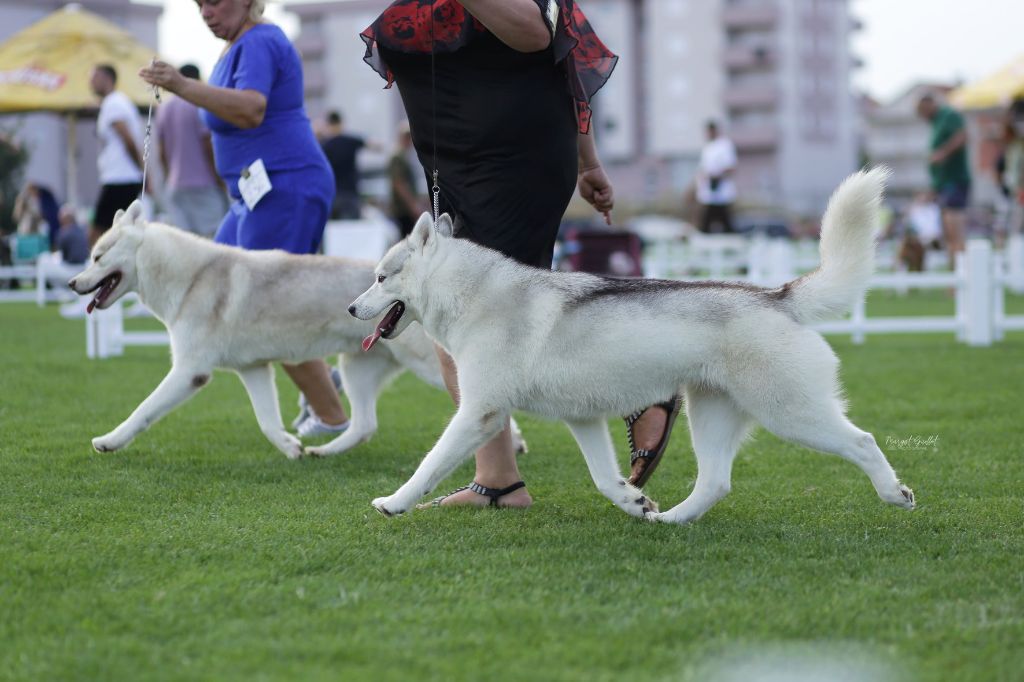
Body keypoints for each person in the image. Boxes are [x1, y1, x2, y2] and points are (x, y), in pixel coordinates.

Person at [361, 0, 680, 509]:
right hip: (452, 167)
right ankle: (498, 480)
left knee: (497, 321)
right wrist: (590, 162)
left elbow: (541, 38)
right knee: (455, 320)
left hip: (515, 164)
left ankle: (643, 385)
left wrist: (588, 160)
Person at [140, 0, 348, 439]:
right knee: (219, 290)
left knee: (265, 309)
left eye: (215, 2)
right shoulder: (234, 48)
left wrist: (179, 84)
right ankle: (325, 382)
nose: (206, 12)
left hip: (285, 187)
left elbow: (251, 108)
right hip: (254, 195)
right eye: (199, 5)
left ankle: (331, 416)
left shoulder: (261, 41)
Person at [156, 64, 228, 237]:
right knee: (213, 241)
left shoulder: (164, 107)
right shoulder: (198, 103)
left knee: (185, 244)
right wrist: (219, 179)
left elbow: (161, 151)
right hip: (203, 184)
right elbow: (207, 145)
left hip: (175, 186)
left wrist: (168, 178)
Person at [89, 64, 145, 247]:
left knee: (98, 234)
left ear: (107, 79)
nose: (90, 82)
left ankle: (102, 273)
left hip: (120, 178)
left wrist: (142, 170)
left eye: (94, 77)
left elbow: (127, 139)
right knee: (119, 234)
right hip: (122, 178)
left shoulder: (113, 103)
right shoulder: (116, 102)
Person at [916, 94, 970, 268]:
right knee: (948, 235)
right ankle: (955, 278)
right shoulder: (936, 122)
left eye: (922, 110)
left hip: (955, 182)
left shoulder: (948, 115)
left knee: (955, 234)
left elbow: (962, 137)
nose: (922, 115)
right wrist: (932, 190)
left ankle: (963, 277)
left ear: (930, 103)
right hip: (944, 186)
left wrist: (942, 153)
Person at [320, 111, 368, 220]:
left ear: (328, 124)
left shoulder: (325, 145)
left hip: (332, 194)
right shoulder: (350, 141)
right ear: (341, 123)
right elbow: (374, 145)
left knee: (333, 231)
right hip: (350, 193)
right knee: (351, 231)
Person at [696, 120, 737, 234]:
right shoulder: (707, 148)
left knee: (725, 224)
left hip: (721, 194)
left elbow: (730, 167)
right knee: (707, 224)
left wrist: (716, 176)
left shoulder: (724, 145)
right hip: (709, 194)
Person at [387, 120, 424, 237]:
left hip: (405, 209)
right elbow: (398, 183)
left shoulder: (403, 155)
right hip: (402, 209)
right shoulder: (397, 156)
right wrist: (413, 205)